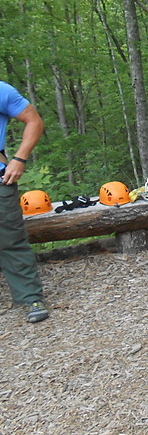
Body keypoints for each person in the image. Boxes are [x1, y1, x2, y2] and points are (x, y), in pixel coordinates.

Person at [0, 81, 49, 323]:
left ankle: (31, 297)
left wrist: (19, 159)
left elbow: (34, 121)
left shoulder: (1, 90)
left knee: (11, 240)